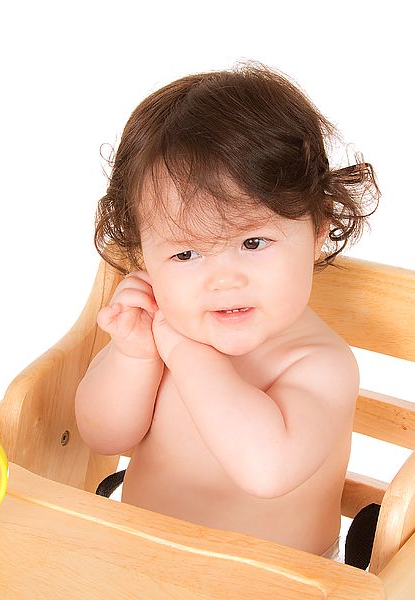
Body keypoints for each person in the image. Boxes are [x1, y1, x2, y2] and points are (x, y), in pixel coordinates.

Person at [74, 62, 378, 561]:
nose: (223, 279)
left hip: (274, 584)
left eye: (253, 242)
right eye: (185, 255)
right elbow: (103, 435)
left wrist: (185, 353)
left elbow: (267, 470)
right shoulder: (158, 332)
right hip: (140, 561)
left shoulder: (319, 363)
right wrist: (133, 357)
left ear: (319, 229)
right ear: (144, 256)